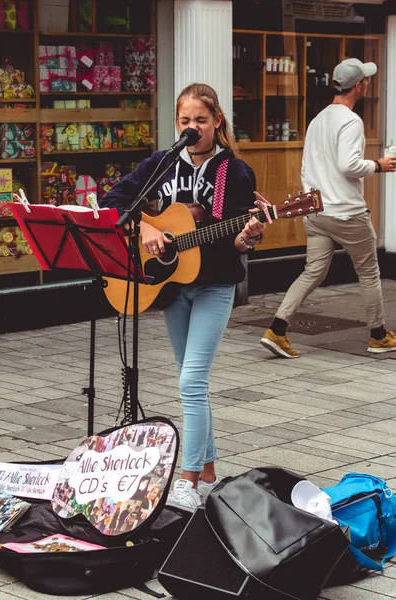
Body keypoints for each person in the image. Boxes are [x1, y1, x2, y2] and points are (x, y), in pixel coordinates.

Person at [100, 82, 265, 511]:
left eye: (201, 121)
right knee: (193, 383)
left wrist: (248, 236)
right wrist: (147, 227)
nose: (193, 128)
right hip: (171, 286)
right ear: (177, 123)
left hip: (214, 284)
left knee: (191, 381)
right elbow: (112, 200)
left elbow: (236, 238)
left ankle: (187, 482)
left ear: (217, 122)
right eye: (185, 121)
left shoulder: (234, 171)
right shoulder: (163, 163)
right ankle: (209, 475)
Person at [260, 58, 396, 359]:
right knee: (370, 273)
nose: (368, 83)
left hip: (316, 211)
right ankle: (378, 336)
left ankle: (277, 329)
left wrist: (311, 202)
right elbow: (348, 164)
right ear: (359, 85)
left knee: (312, 272)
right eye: (367, 80)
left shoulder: (318, 119)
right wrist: (379, 165)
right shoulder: (351, 120)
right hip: (347, 212)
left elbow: (308, 167)